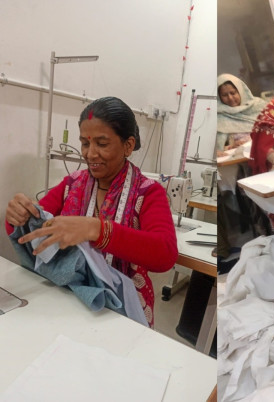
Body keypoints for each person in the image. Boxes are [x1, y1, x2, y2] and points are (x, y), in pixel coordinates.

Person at [5, 96, 178, 328]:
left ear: (128, 145)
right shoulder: (71, 184)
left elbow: (165, 255)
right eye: (85, 144)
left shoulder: (147, 193)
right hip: (72, 298)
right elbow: (34, 228)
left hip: (123, 310)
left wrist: (97, 230)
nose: (90, 154)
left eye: (102, 144)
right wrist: (18, 216)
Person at [216, 73, 267, 157]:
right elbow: (218, 150)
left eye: (233, 93)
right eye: (224, 95)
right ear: (219, 97)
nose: (230, 98)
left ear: (240, 91)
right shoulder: (219, 116)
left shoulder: (259, 106)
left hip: (267, 153)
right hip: (239, 159)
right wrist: (232, 146)